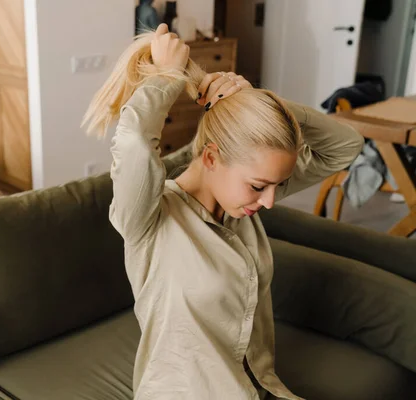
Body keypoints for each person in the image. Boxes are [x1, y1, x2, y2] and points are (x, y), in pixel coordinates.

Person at [82, 24, 364, 400]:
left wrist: (259, 102)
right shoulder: (149, 217)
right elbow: (134, 143)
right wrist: (167, 76)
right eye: (259, 186)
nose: (268, 202)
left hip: (259, 388)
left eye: (276, 187)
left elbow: (346, 146)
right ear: (212, 157)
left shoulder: (239, 200)